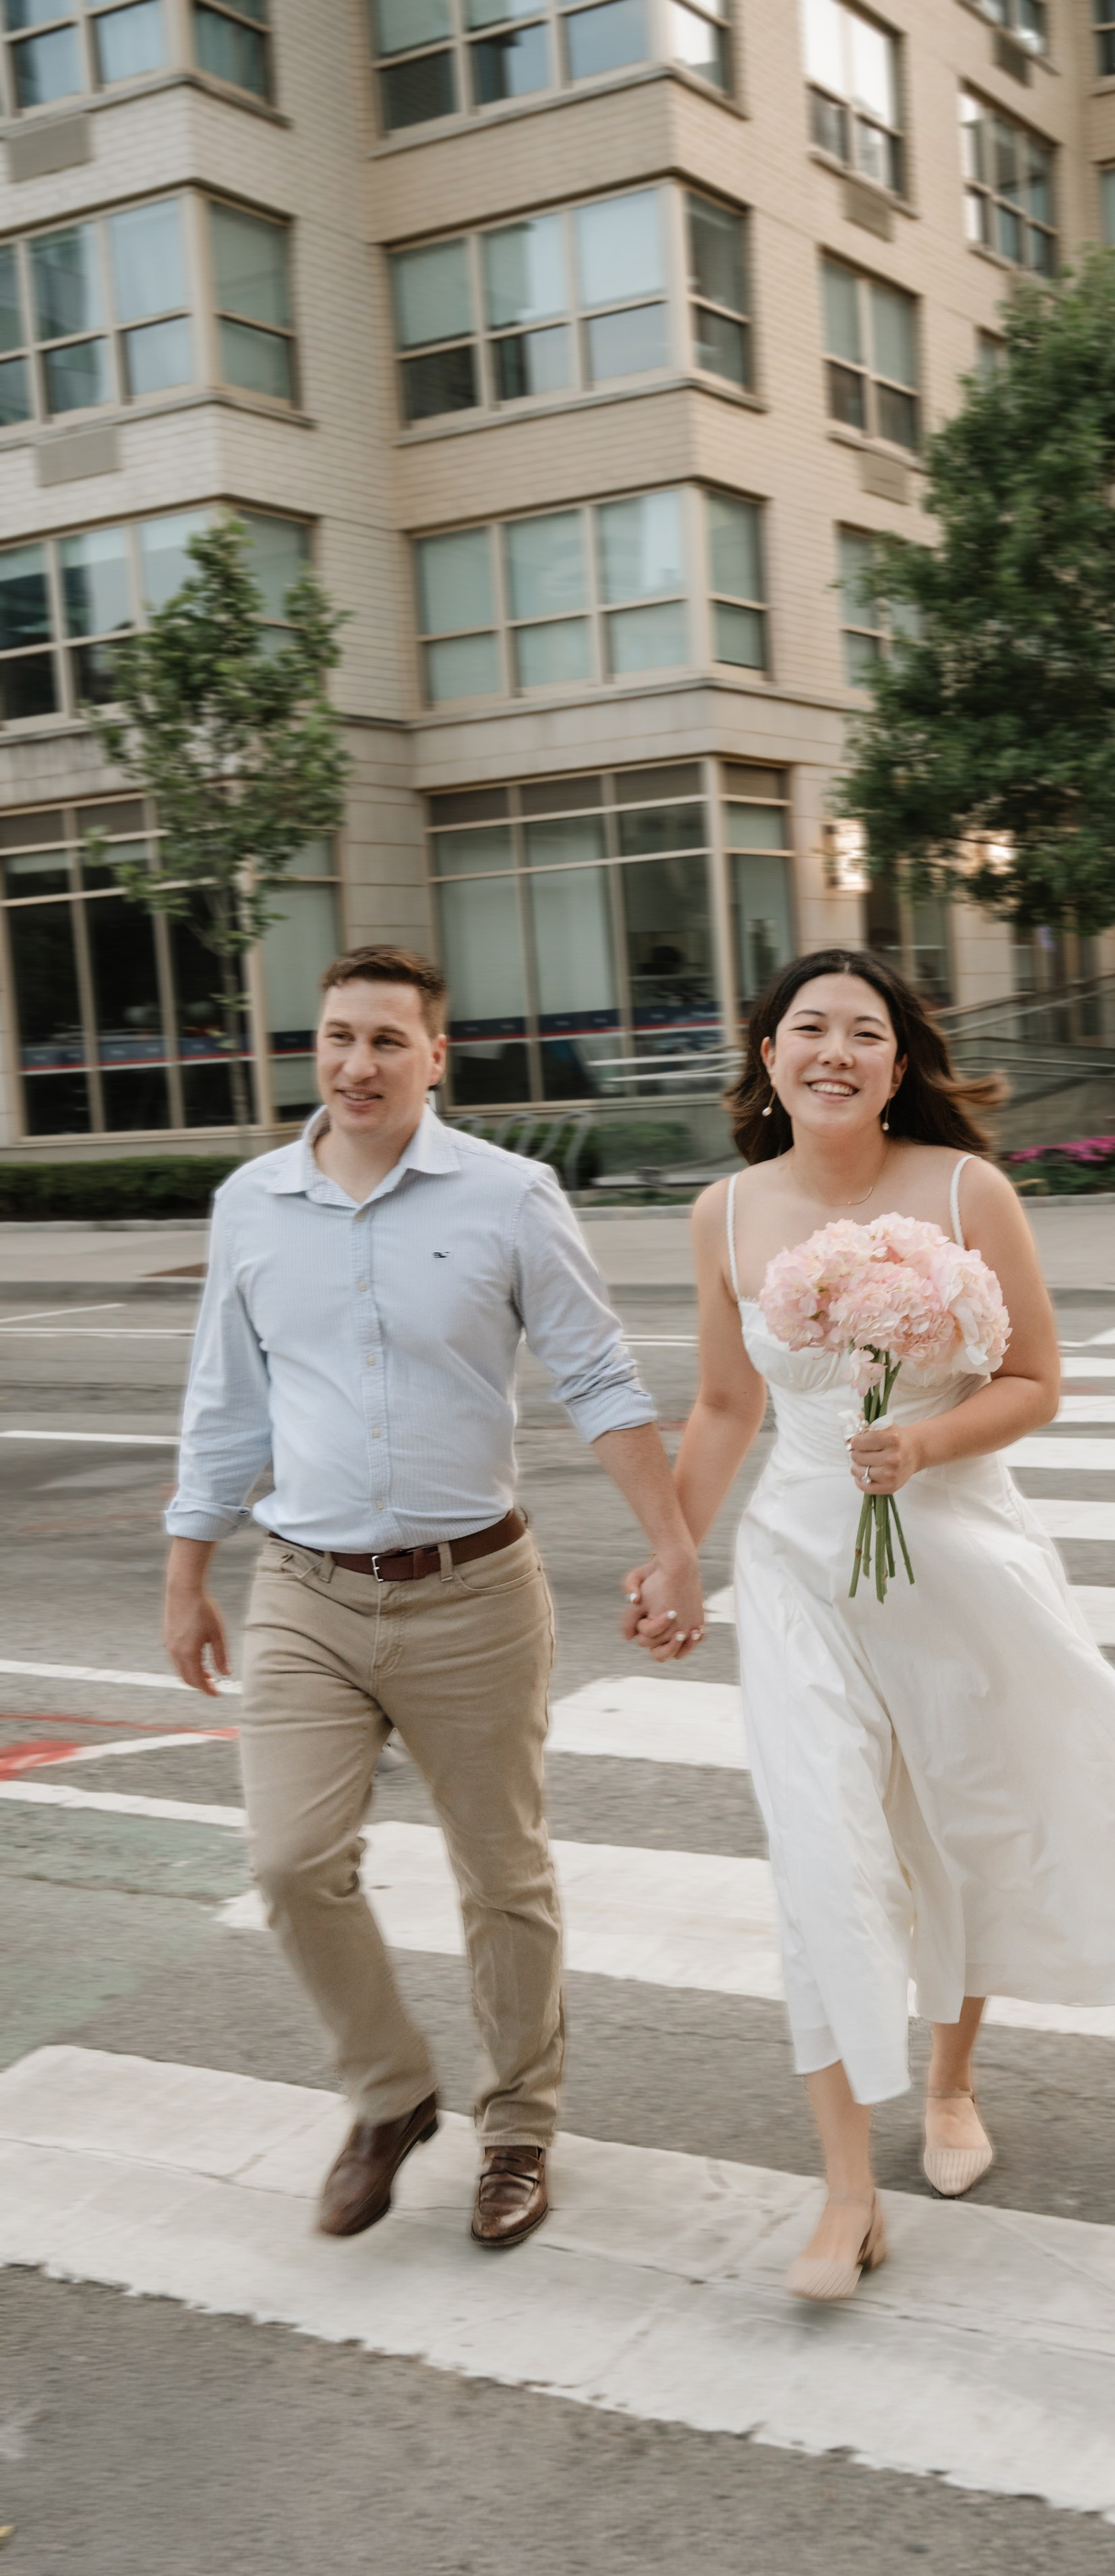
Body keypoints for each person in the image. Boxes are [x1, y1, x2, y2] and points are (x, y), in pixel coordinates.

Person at [627, 949, 1115, 2302]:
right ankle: (847, 2197)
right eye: (807, 1027)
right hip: (794, 1565)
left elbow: (1036, 1379)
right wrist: (674, 1553)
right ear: (767, 1052)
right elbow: (725, 1408)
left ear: (901, 1063)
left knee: (961, 1828)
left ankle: (950, 2085)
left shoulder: (965, 1191)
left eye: (865, 1032)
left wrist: (928, 1436)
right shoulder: (722, 1213)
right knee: (822, 1855)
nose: (834, 1050)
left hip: (955, 1552)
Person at [163, 945, 703, 2250]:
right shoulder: (253, 1203)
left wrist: (675, 1544)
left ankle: (519, 2126)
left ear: (435, 1056)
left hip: (474, 1592)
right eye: (338, 1038)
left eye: (387, 1041)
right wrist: (187, 1570)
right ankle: (391, 2093)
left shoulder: (512, 1196)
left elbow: (598, 1375)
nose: (358, 1064)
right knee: (291, 1864)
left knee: (502, 1873)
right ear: (317, 1051)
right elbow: (226, 1404)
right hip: (305, 1587)